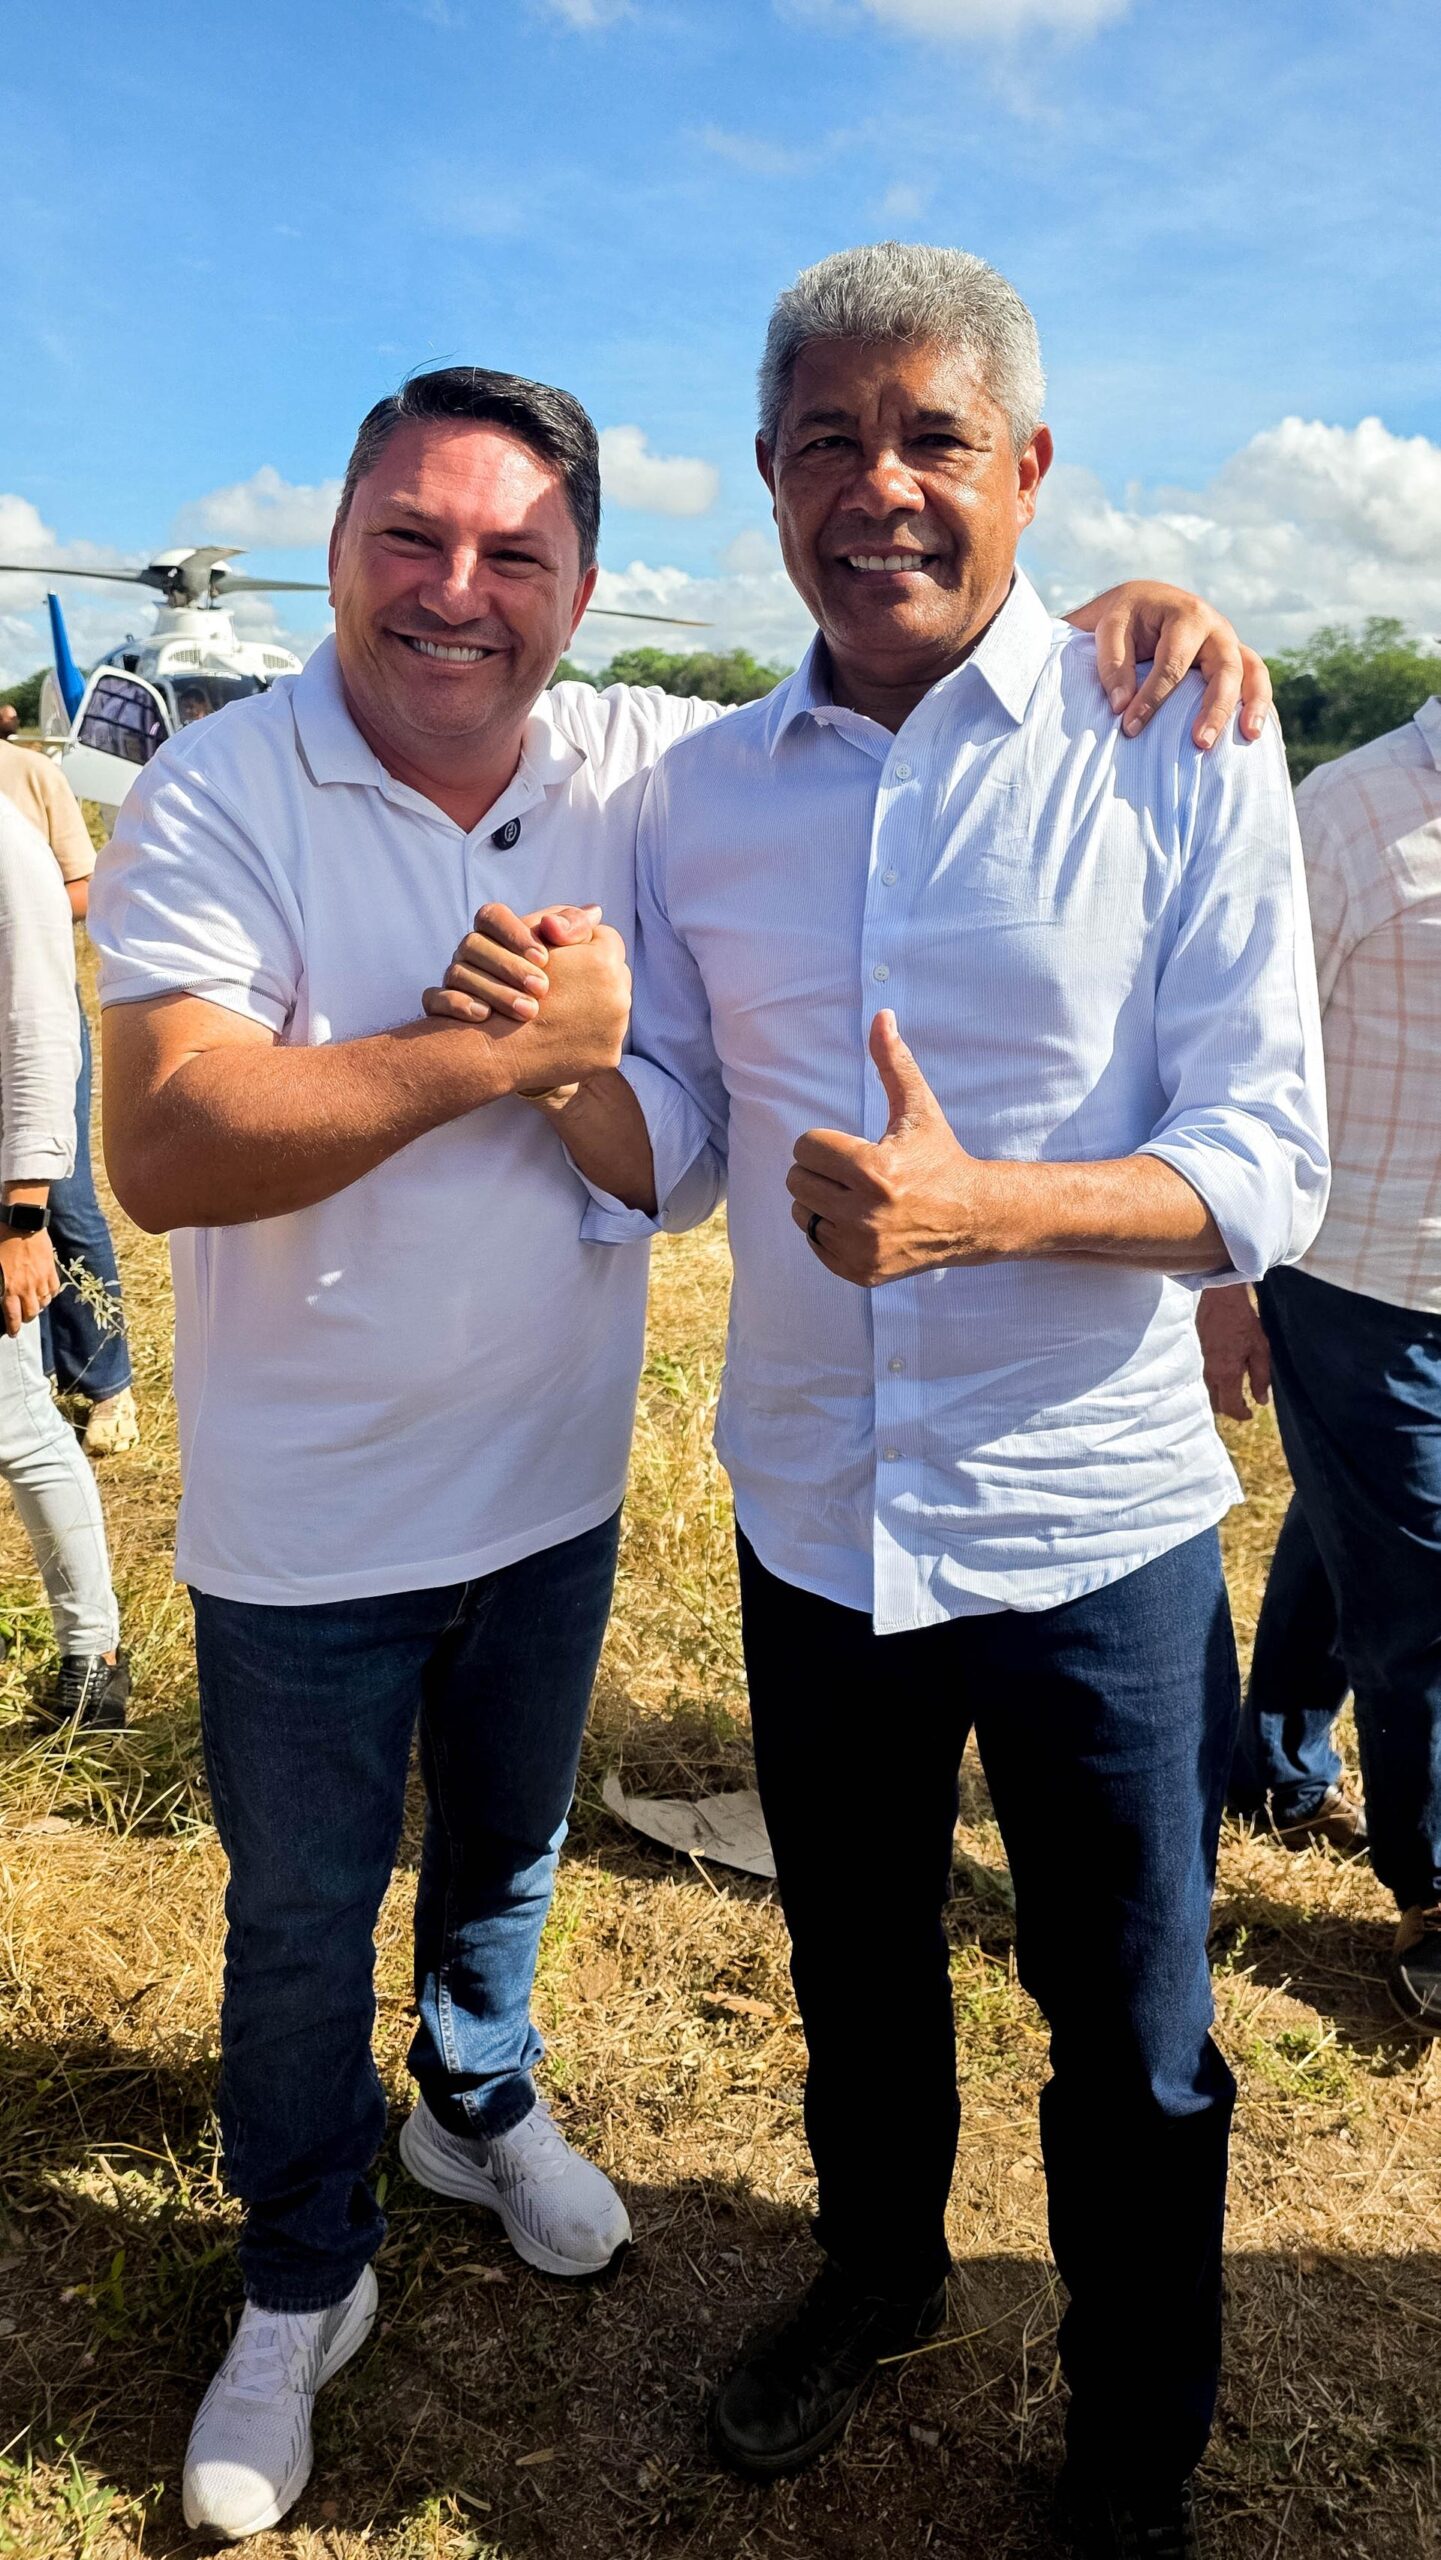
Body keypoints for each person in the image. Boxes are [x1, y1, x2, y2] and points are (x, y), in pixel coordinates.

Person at [92, 354, 1272, 2545]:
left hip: (733, 1499)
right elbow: (171, 1150)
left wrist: (1138, 599)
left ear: (584, 587)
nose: (459, 592)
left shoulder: (675, 761)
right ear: (332, 549)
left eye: (514, 553)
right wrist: (503, 1056)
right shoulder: (313, 785)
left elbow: (1246, 1150)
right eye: (410, 538)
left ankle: (502, 2119)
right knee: (355, 1923)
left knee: (1064, 2012)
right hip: (445, 1509)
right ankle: (338, 2268)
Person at [453, 250, 1328, 2560]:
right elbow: (680, 1139)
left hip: (1091, 1528)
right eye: (827, 442)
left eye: (930, 435)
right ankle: (875, 2263)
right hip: (815, 1514)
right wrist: (558, 1075)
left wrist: (983, 1209)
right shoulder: (701, 796)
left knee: (1129, 2021)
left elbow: (1264, 1162)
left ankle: (1132, 2438)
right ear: (765, 480)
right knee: (850, 1954)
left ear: (1023, 468)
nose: (878, 487)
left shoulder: (1172, 739)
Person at [1200, 691, 1441, 2029]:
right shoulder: (1353, 815)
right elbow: (1242, 1055)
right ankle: (1436, 1887)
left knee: (1355, 1525)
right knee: (1427, 1590)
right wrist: (1224, 1280)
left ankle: (1274, 1761)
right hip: (1358, 1279)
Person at [0, 795, 127, 1730]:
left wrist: (22, 1216)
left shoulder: (7, 843)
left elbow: (41, 1029)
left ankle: (94, 1658)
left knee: (18, 1428)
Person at [0, 717, 139, 1454]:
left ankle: (109, 1382)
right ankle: (42, 1373)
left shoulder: (30, 775)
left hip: (37, 1013)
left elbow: (86, 886)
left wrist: (23, 910)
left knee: (64, 1200)